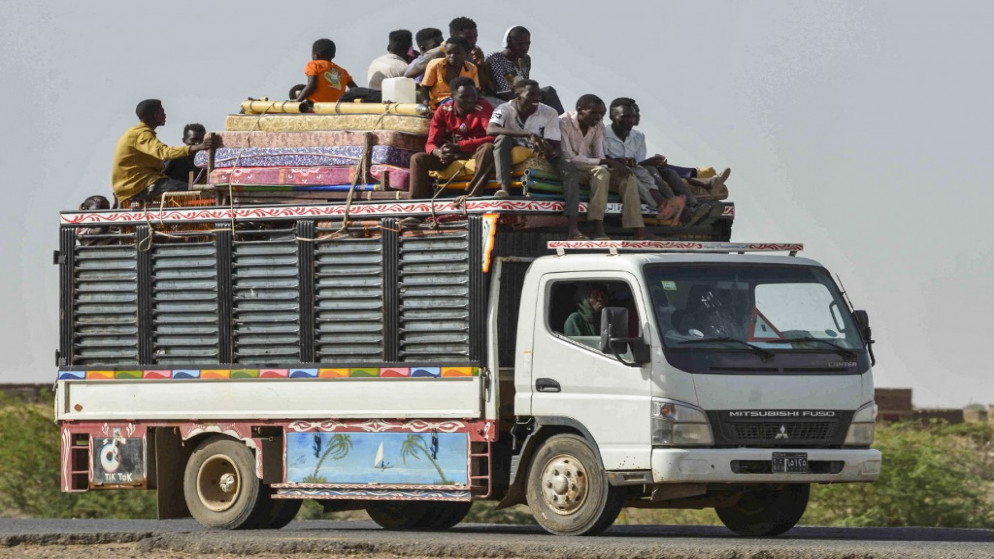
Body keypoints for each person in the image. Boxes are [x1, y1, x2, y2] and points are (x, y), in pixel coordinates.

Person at [487, 79, 584, 238]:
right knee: (501, 139)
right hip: (514, 145)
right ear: (517, 95)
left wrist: (547, 149)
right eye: (531, 95)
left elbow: (555, 146)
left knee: (570, 170)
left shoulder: (549, 112)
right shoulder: (504, 108)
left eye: (539, 95)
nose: (536, 99)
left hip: (540, 150)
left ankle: (573, 226)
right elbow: (491, 129)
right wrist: (528, 134)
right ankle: (504, 189)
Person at [603, 99, 725, 225]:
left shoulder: (638, 136)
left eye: (633, 116)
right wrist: (647, 163)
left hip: (639, 169)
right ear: (613, 117)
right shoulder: (603, 134)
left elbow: (638, 162)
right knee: (651, 170)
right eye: (625, 117)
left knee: (669, 172)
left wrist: (654, 161)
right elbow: (605, 160)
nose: (630, 121)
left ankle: (693, 207)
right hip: (620, 171)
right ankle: (679, 206)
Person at [559, 95, 648, 240]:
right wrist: (605, 162)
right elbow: (569, 158)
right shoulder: (564, 122)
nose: (598, 117)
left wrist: (614, 164)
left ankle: (638, 229)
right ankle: (597, 227)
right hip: (572, 168)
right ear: (580, 110)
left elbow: (599, 153)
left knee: (627, 175)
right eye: (594, 113)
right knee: (601, 173)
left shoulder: (598, 125)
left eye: (601, 114)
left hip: (591, 166)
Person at [408, 77, 495, 203]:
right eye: (464, 97)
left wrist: (460, 146)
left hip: (474, 153)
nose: (471, 100)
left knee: (488, 148)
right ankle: (416, 207)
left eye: (473, 96)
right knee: (417, 159)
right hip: (452, 154)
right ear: (453, 97)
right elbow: (431, 142)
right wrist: (438, 152)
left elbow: (493, 137)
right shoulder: (443, 110)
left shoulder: (483, 106)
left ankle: (471, 194)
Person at [111, 99, 214, 203]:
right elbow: (164, 152)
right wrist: (200, 146)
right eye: (162, 112)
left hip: (141, 183)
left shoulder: (137, 133)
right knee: (196, 192)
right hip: (139, 185)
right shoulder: (141, 134)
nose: (165, 115)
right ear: (155, 115)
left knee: (191, 190)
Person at [485, 26, 565, 113]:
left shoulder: (525, 59)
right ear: (508, 43)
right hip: (500, 100)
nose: (525, 48)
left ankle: (563, 124)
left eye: (527, 44)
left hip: (522, 96)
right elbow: (504, 92)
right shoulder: (496, 59)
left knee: (549, 92)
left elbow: (525, 85)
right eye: (519, 44)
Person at [406, 18, 495, 94]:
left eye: (475, 37)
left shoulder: (474, 52)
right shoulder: (438, 53)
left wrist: (480, 66)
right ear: (453, 36)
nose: (473, 41)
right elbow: (408, 75)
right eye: (468, 38)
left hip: (468, 98)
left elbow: (482, 87)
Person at [420, 36, 478, 108]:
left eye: (457, 53)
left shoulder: (471, 68)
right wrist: (425, 105)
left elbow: (475, 89)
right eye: (449, 53)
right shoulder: (436, 65)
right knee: (454, 104)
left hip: (464, 100)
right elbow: (425, 88)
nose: (452, 56)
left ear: (466, 53)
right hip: (439, 102)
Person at [293, 39, 357, 103]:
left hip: (315, 104)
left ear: (316, 55)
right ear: (333, 55)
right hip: (334, 106)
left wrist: (298, 101)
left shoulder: (314, 64)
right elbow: (355, 89)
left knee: (295, 90)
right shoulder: (343, 72)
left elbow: (312, 85)